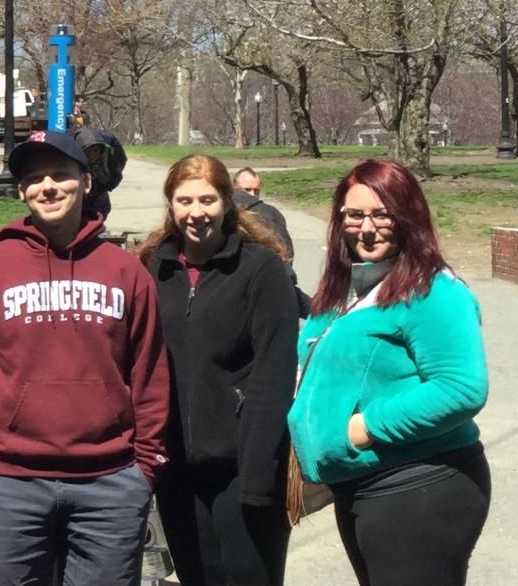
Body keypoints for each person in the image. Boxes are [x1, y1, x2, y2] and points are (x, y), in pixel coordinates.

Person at [0, 130, 170, 586]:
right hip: (11, 482)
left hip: (110, 482)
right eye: (34, 178)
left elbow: (150, 376)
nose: (48, 186)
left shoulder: (124, 270)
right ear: (22, 190)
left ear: (86, 183)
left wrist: (144, 468)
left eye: (61, 174)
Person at [287, 160, 490, 586]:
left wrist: (361, 429)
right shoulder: (349, 288)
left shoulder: (434, 291)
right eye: (355, 214)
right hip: (362, 484)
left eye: (382, 214)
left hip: (419, 484)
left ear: (408, 218)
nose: (367, 227)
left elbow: (461, 388)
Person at [137, 155, 298, 586]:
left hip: (243, 468)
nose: (196, 213)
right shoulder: (151, 269)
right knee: (196, 577)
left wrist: (260, 478)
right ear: (170, 205)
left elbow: (274, 375)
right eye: (184, 200)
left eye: (207, 199)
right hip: (175, 468)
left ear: (227, 202)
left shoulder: (261, 269)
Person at [232, 168, 294, 261]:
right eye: (247, 190)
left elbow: (287, 253)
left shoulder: (271, 213)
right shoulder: (224, 212)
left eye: (256, 190)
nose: (252, 194)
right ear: (234, 188)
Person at [73, 124, 126, 222]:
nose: (93, 155)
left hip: (100, 188)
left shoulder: (110, 148)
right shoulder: (71, 150)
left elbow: (120, 163)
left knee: (102, 210)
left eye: (96, 151)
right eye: (89, 152)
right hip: (80, 191)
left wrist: (105, 186)